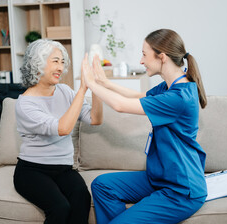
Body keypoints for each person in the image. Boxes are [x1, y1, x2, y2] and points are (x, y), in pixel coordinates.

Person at [82, 29, 208, 224]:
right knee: (102, 185)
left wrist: (90, 83)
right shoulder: (170, 86)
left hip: (181, 190)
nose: (141, 61)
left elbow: (120, 106)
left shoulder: (178, 97)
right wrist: (105, 83)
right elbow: (139, 96)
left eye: (144, 54)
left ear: (162, 57)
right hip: (160, 178)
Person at [13, 39, 103, 224]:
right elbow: (62, 128)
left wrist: (96, 87)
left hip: (63, 169)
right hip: (32, 171)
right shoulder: (25, 104)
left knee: (82, 198)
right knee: (60, 208)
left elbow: (95, 119)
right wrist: (82, 89)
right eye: (55, 61)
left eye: (62, 62)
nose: (61, 67)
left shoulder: (64, 91)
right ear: (37, 63)